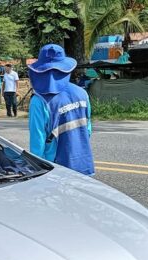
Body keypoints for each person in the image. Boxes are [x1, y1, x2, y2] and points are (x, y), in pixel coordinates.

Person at [28, 44, 94, 176]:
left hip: (56, 170)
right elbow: (88, 130)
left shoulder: (39, 101)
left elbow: (37, 143)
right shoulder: (81, 93)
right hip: (82, 163)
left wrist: (37, 172)